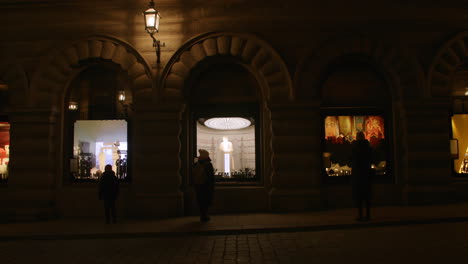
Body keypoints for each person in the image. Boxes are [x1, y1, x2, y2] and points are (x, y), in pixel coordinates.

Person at [351, 131, 373, 221]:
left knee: (359, 197)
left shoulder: (355, 147)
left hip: (358, 174)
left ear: (357, 137)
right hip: (366, 174)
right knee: (367, 196)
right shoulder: (368, 147)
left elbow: (351, 158)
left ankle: (360, 215)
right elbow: (372, 157)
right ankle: (368, 215)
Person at [192, 149, 215, 222]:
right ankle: (204, 215)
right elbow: (211, 177)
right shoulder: (208, 164)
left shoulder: (196, 163)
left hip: (198, 185)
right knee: (206, 200)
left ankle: (203, 215)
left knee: (201, 200)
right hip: (206, 186)